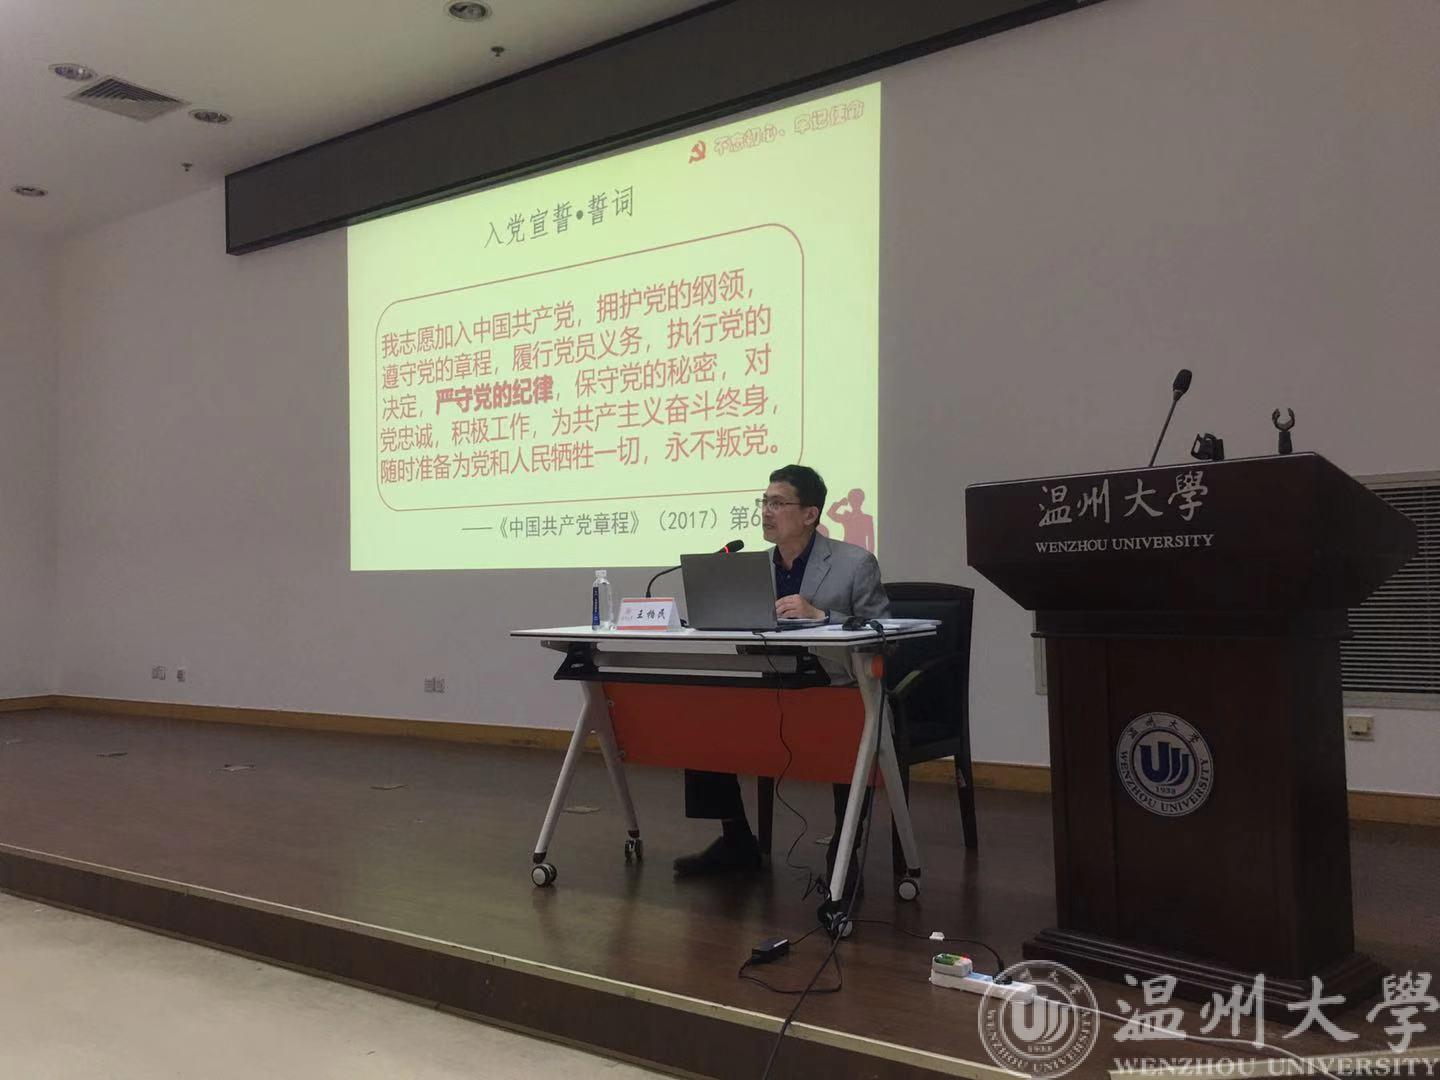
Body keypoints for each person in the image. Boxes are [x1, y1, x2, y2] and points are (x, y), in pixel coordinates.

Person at [673, 464, 890, 899]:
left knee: (847, 729)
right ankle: (736, 839)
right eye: (764, 502)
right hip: (771, 685)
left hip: (835, 689)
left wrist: (822, 616)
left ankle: (844, 851)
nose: (766, 512)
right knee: (705, 720)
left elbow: (882, 631)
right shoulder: (749, 567)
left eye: (778, 503)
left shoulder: (854, 563)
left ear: (810, 514)